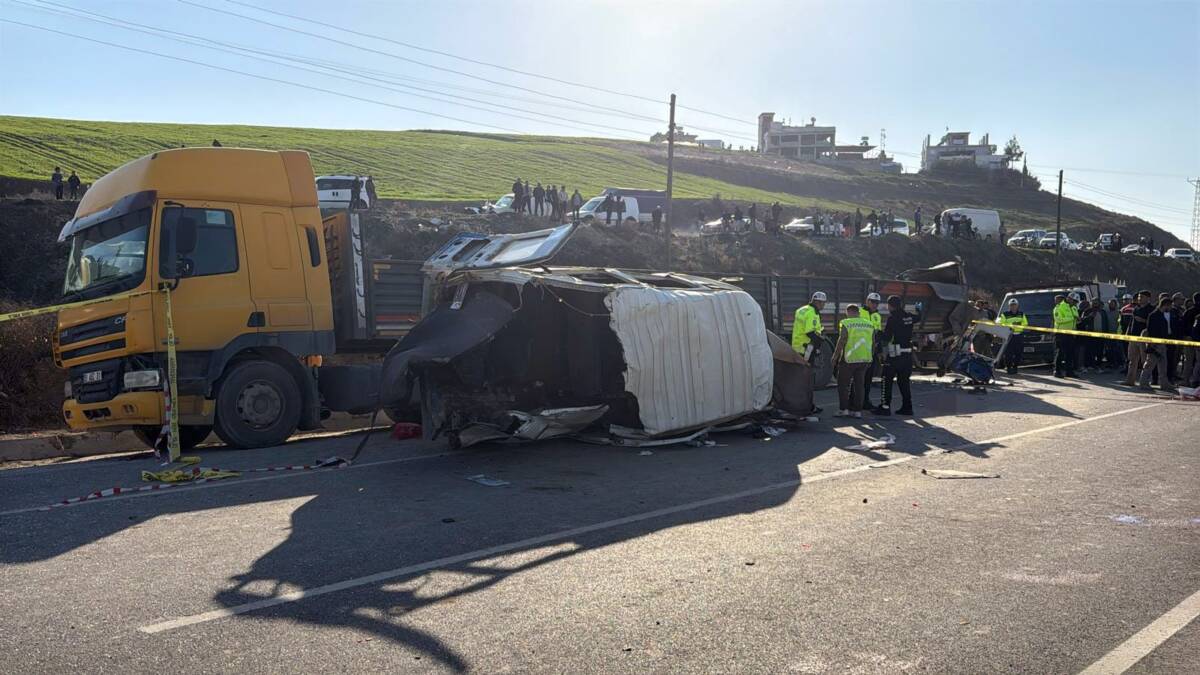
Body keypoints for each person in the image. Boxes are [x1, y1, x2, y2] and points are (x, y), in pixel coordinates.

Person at [874, 295, 918, 416]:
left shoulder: (892, 318)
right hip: (907, 355)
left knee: (886, 380)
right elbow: (918, 317)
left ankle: (885, 406)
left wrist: (878, 334)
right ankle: (907, 407)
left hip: (895, 356)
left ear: (890, 306)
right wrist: (919, 310)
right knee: (904, 382)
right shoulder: (909, 317)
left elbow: (887, 337)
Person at [833, 304, 875, 418]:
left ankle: (844, 410)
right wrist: (871, 357)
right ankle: (857, 411)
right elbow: (873, 342)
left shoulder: (847, 323)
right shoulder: (869, 324)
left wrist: (835, 356)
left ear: (848, 312)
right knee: (859, 385)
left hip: (849, 359)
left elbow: (842, 340)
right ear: (858, 312)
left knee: (843, 385)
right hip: (864, 359)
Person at [1138, 297, 1177, 392]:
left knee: (1163, 365)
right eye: (1170, 305)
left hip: (1163, 344)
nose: (1171, 308)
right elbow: (1151, 330)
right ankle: (1143, 383)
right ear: (1165, 305)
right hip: (1155, 344)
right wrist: (1152, 344)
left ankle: (1164, 384)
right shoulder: (1154, 315)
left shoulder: (1162, 315)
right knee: (1149, 365)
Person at [1123, 291, 1154, 386]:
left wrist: (1143, 320)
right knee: (1132, 360)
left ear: (1148, 298)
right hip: (1133, 337)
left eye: (1142, 297)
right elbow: (1131, 322)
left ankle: (1145, 381)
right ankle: (1130, 380)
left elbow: (1154, 324)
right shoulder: (1136, 308)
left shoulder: (1151, 309)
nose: (1139, 299)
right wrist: (1127, 333)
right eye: (1139, 297)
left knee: (1145, 361)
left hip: (1144, 338)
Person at [861, 292, 883, 409]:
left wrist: (879, 352)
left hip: (871, 351)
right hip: (860, 350)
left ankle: (865, 401)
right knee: (859, 377)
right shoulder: (859, 312)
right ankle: (855, 401)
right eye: (872, 302)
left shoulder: (877, 316)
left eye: (877, 303)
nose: (875, 304)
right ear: (867, 301)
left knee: (868, 377)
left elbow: (878, 334)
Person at [1052, 293, 1079, 378]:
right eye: (1074, 301)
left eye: (1076, 302)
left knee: (1070, 353)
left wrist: (1078, 321)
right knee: (1060, 353)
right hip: (1061, 333)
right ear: (1069, 299)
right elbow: (1058, 320)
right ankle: (1057, 371)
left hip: (1071, 333)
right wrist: (1072, 318)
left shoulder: (1074, 307)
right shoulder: (1059, 307)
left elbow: (1075, 320)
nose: (1075, 303)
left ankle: (1069, 371)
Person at [998, 299, 1028, 375]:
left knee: (1018, 353)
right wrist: (1011, 326)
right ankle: (1008, 368)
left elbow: (1025, 324)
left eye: (1014, 305)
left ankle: (1015, 367)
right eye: (1011, 305)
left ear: (1017, 306)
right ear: (1009, 306)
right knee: (1008, 353)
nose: (1013, 307)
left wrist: (1019, 325)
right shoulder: (1005, 314)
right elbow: (1001, 324)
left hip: (1019, 335)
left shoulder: (1021, 314)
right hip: (1009, 336)